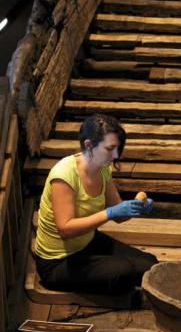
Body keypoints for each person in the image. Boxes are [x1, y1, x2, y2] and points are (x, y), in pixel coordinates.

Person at [35, 113, 157, 296]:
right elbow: (65, 229)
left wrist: (138, 208)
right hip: (58, 261)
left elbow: (120, 215)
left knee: (150, 265)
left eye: (117, 148)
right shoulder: (64, 174)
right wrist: (109, 213)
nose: (115, 155)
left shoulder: (102, 169)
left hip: (88, 242)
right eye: (110, 149)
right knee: (124, 272)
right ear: (89, 145)